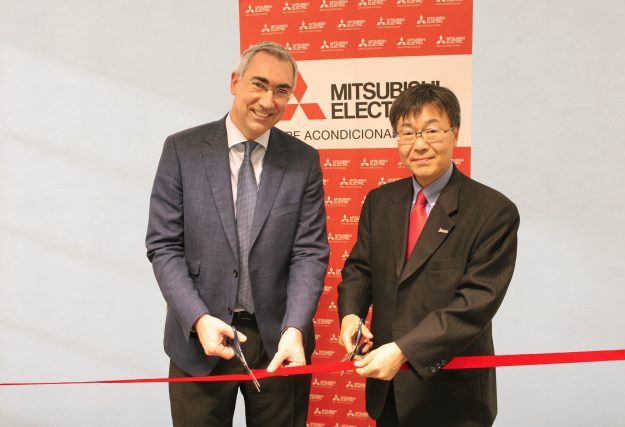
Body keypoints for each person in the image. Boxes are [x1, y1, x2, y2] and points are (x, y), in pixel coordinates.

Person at [145, 41, 329, 427]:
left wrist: (295, 328)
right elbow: (163, 245)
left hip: (278, 342)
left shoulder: (303, 160)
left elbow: (309, 253)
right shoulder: (183, 149)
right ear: (235, 82)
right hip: (200, 339)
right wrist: (197, 318)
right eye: (259, 85)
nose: (268, 100)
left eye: (281, 90)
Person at [337, 83, 519, 426]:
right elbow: (359, 270)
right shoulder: (380, 202)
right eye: (407, 133)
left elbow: (474, 304)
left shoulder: (493, 211)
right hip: (388, 392)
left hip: (453, 397)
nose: (419, 144)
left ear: (455, 133)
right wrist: (350, 315)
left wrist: (404, 350)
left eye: (431, 131)